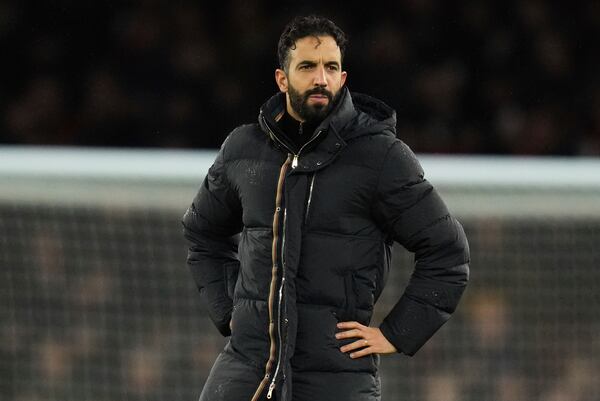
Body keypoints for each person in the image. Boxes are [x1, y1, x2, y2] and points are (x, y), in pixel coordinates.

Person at [182, 15, 470, 401]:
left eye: (330, 67)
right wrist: (227, 307)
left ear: (343, 78)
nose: (321, 78)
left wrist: (395, 334)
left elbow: (448, 251)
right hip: (246, 368)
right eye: (307, 67)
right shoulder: (242, 150)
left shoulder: (381, 157)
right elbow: (203, 231)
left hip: (336, 377)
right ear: (282, 79)